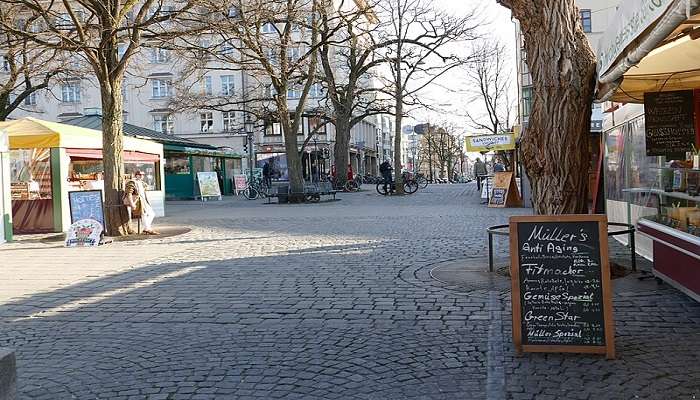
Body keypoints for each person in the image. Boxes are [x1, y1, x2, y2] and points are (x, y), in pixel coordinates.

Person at [123, 170, 158, 235]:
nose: (142, 176)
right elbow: (129, 194)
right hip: (138, 201)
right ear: (136, 175)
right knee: (143, 214)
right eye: (140, 175)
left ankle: (146, 228)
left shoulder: (142, 183)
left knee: (151, 214)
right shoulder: (132, 182)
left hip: (144, 201)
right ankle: (147, 228)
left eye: (142, 175)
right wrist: (132, 204)